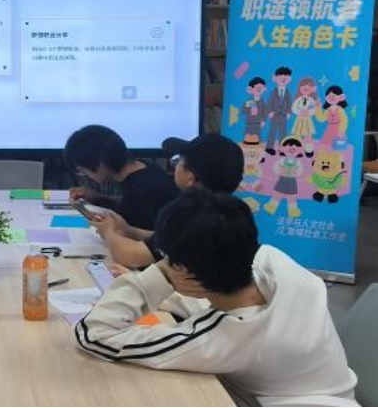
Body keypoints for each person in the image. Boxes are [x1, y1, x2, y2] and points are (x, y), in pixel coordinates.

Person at [75, 189, 358, 408]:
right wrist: (164, 281)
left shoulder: (224, 338)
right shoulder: (272, 261)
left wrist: (155, 278)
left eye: (165, 258)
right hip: (335, 394)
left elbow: (95, 335)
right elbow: (211, 299)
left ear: (182, 270)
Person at [91, 134, 244, 270]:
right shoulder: (236, 211)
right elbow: (168, 240)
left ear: (190, 178)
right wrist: (129, 230)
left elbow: (129, 256)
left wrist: (108, 232)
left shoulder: (190, 215)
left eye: (179, 161)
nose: (175, 165)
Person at [65, 125, 179, 231]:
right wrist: (97, 198)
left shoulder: (144, 187)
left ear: (101, 164)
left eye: (82, 170)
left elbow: (152, 238)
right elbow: (129, 210)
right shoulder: (143, 168)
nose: (86, 175)